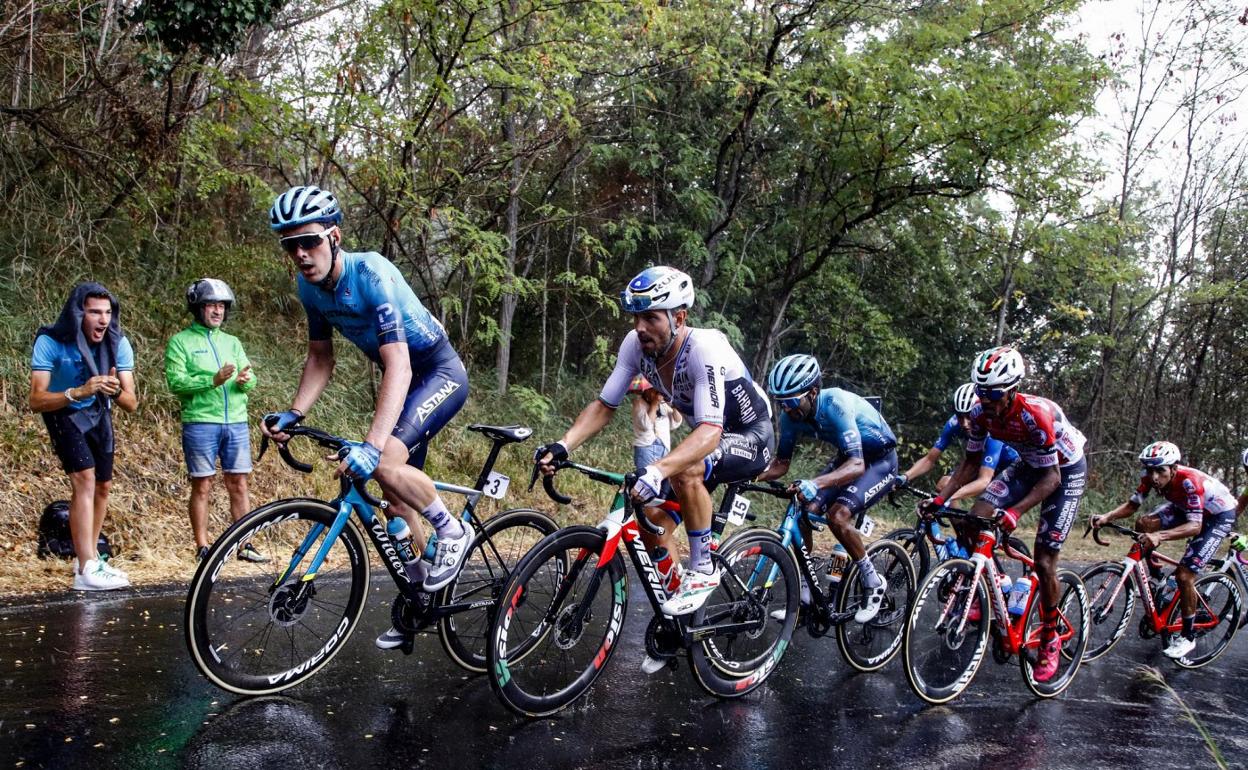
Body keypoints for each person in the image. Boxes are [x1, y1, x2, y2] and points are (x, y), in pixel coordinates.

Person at [259, 185, 470, 650]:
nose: (300, 253)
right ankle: (420, 598)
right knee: (395, 502)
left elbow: (400, 364)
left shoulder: (372, 273)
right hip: (404, 381)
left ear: (334, 236)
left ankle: (453, 530)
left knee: (382, 461)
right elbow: (320, 357)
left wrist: (373, 446)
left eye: (309, 241)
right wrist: (296, 412)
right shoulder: (308, 286)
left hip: (435, 372)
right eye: (289, 245)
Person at [535, 266, 774, 623]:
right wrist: (564, 444)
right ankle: (680, 619)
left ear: (679, 317)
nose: (640, 328)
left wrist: (659, 468)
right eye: (636, 317)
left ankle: (703, 568)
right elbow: (604, 406)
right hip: (712, 439)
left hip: (752, 437)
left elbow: (709, 432)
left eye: (651, 317)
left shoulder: (703, 348)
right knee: (654, 525)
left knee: (686, 469)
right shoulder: (636, 347)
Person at [936, 345, 1087, 683]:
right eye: (980, 390)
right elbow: (970, 463)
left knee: (1046, 559)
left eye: (993, 393)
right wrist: (940, 500)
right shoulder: (978, 413)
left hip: (1064, 471)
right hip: (1028, 465)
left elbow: (1052, 478)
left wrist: (1016, 512)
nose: (985, 398)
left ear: (1012, 390)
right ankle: (992, 584)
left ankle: (1049, 636)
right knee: (976, 519)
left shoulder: (1036, 415)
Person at [756, 354, 899, 623]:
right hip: (849, 458)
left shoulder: (836, 403)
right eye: (780, 402)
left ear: (812, 392)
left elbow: (857, 466)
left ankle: (873, 581)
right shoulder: (790, 418)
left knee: (838, 515)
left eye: (790, 401)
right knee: (804, 513)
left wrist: (815, 482)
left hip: (879, 461)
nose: (785, 409)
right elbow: (780, 464)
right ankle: (807, 591)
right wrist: (750, 477)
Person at [29, 282, 138, 590]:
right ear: (79, 314)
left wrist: (114, 390)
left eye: (107, 312)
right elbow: (36, 399)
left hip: (98, 410)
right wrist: (78, 391)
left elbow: (131, 403)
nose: (103, 320)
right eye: (94, 312)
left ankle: (87, 564)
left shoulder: (117, 343)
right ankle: (87, 564)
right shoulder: (50, 341)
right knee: (85, 478)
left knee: (103, 485)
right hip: (62, 410)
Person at [1091, 441, 1237, 659]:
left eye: (1161, 471)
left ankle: (1188, 637)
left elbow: (1195, 526)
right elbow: (1132, 506)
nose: (1155, 477)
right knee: (1144, 524)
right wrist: (1107, 516)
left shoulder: (1190, 482)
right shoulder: (1150, 477)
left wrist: (1159, 536)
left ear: (1174, 468)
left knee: (1185, 575)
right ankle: (1157, 578)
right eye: (1150, 470)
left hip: (1217, 516)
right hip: (1185, 508)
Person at [165, 278, 265, 563]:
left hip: (236, 420)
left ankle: (244, 544)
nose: (217, 311)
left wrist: (245, 380)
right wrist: (212, 380)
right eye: (211, 305)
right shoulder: (180, 342)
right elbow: (176, 382)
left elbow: (251, 378)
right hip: (200, 421)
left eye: (222, 306)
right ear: (198, 308)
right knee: (203, 484)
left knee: (239, 483)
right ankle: (203, 546)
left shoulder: (232, 342)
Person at [899, 383, 1020, 506]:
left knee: (984, 507)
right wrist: (904, 477)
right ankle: (959, 525)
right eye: (960, 416)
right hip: (982, 462)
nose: (964, 423)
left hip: (1009, 467)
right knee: (943, 485)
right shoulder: (953, 423)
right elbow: (929, 459)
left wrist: (946, 499)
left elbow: (984, 480)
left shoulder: (991, 427)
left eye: (969, 416)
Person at [630, 375, 684, 591]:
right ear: (647, 391)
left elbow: (676, 423)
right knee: (648, 499)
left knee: (662, 497)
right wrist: (653, 404)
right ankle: (653, 534)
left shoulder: (663, 405)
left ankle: (660, 536)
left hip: (663, 451)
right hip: (646, 450)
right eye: (655, 390)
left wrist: (674, 405)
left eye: (659, 391)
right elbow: (645, 425)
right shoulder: (640, 403)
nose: (658, 394)